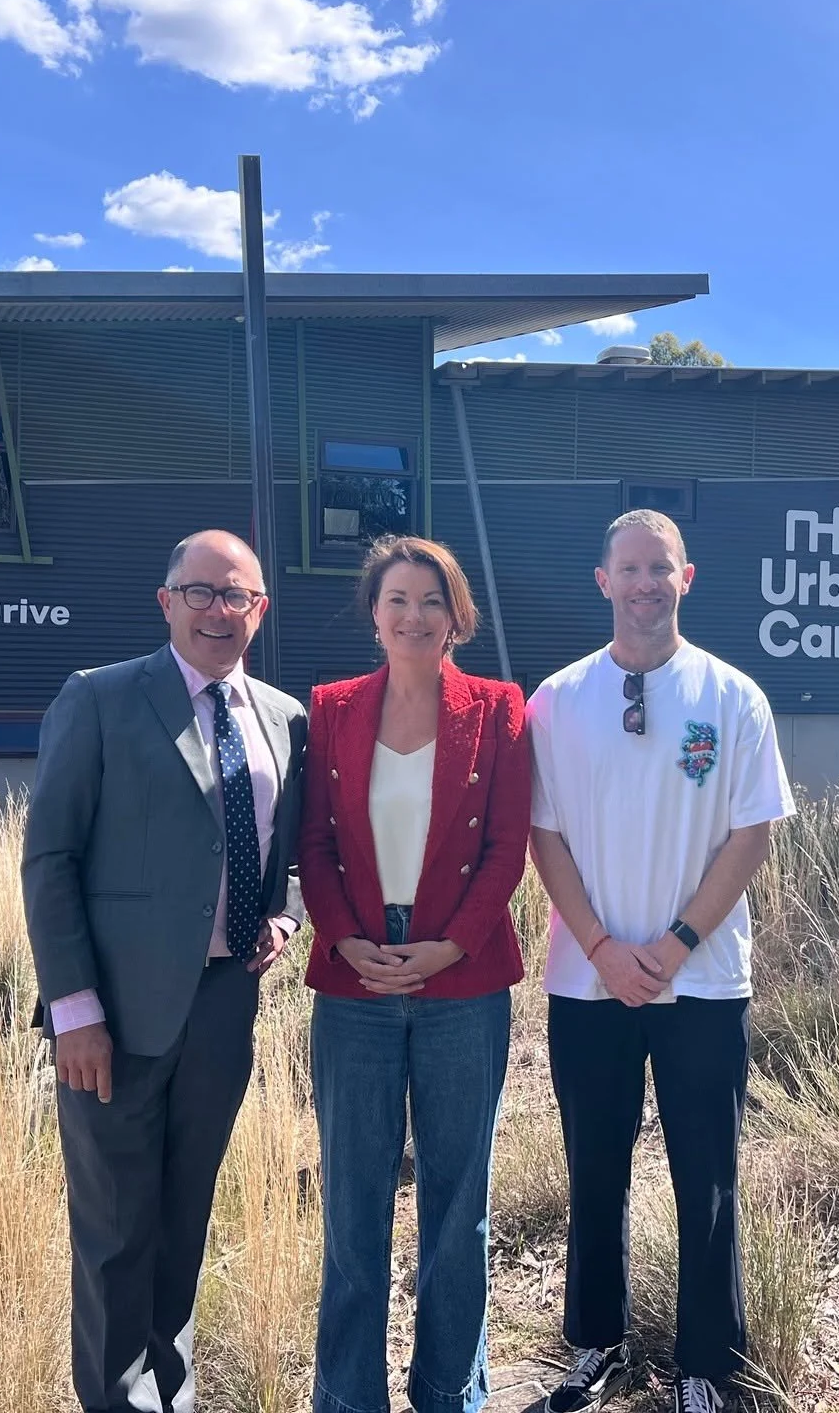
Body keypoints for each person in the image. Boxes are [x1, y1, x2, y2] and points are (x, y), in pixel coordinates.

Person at [22, 528, 308, 1413]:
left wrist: (284, 917)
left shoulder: (283, 718)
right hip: (113, 1020)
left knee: (185, 1222)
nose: (219, 612)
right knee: (115, 1236)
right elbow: (51, 859)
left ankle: (168, 1398)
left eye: (239, 597)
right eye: (202, 593)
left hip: (224, 1011)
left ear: (260, 609)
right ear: (166, 600)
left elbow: (286, 858)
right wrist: (74, 1011)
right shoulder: (100, 699)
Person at [526, 510, 796, 1413]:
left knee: (705, 1175)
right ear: (601, 580)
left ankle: (705, 1368)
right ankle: (597, 1347)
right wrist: (603, 948)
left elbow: (751, 834)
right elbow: (545, 837)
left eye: (662, 569)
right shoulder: (556, 701)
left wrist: (675, 945)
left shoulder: (733, 697)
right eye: (629, 568)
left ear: (689, 577)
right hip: (587, 981)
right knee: (595, 1169)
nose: (645, 583)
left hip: (705, 983)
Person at [299, 535, 532, 1413]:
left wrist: (452, 947)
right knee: (353, 1213)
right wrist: (346, 938)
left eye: (432, 600)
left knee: (456, 1209)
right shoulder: (329, 710)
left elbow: (508, 849)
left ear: (456, 615)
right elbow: (313, 843)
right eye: (398, 598)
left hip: (461, 983)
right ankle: (349, 1399)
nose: (415, 615)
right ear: (375, 613)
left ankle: (450, 1394)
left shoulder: (501, 709)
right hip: (354, 977)